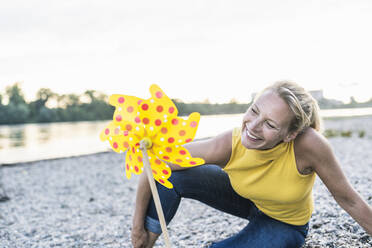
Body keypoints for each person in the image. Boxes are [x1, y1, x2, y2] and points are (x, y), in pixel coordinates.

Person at [131, 81, 372, 248]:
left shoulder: (309, 145)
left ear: (290, 134)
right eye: (254, 111)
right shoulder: (230, 142)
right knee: (173, 175)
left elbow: (348, 198)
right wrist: (138, 230)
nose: (253, 126)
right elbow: (155, 164)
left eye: (270, 124)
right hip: (246, 200)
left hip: (285, 223)